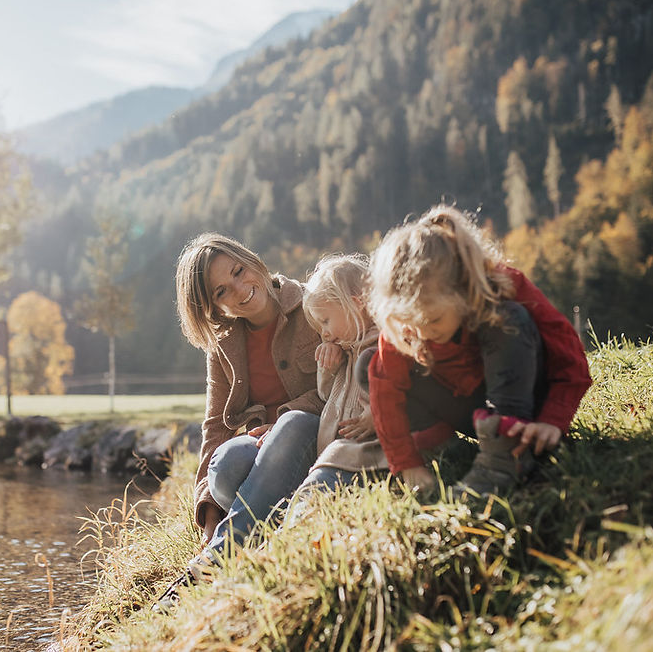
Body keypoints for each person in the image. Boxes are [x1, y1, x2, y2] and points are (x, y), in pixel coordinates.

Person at [365, 204, 592, 497]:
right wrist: (406, 463)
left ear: (461, 289)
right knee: (372, 368)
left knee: (507, 319)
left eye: (433, 320)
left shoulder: (502, 287)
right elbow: (386, 392)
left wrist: (552, 420)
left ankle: (505, 454)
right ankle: (442, 442)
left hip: (522, 400)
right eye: (411, 323)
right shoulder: (411, 323)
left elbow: (569, 358)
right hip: (471, 410)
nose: (422, 332)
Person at [154, 232, 324, 610]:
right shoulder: (223, 344)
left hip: (316, 438)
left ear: (252, 261)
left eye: (237, 271)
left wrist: (281, 418)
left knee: (293, 424)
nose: (239, 289)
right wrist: (210, 516)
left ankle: (216, 561)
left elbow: (341, 382)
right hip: (259, 458)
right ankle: (258, 519)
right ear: (213, 307)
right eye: (221, 291)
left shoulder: (314, 302)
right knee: (228, 463)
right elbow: (214, 427)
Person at [287, 253, 388, 512]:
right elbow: (326, 394)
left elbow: (402, 391)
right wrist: (329, 367)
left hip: (367, 455)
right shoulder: (346, 349)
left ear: (357, 304)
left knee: (313, 494)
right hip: (337, 454)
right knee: (310, 490)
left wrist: (378, 412)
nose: (325, 333)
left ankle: (288, 535)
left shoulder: (383, 346)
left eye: (326, 321)